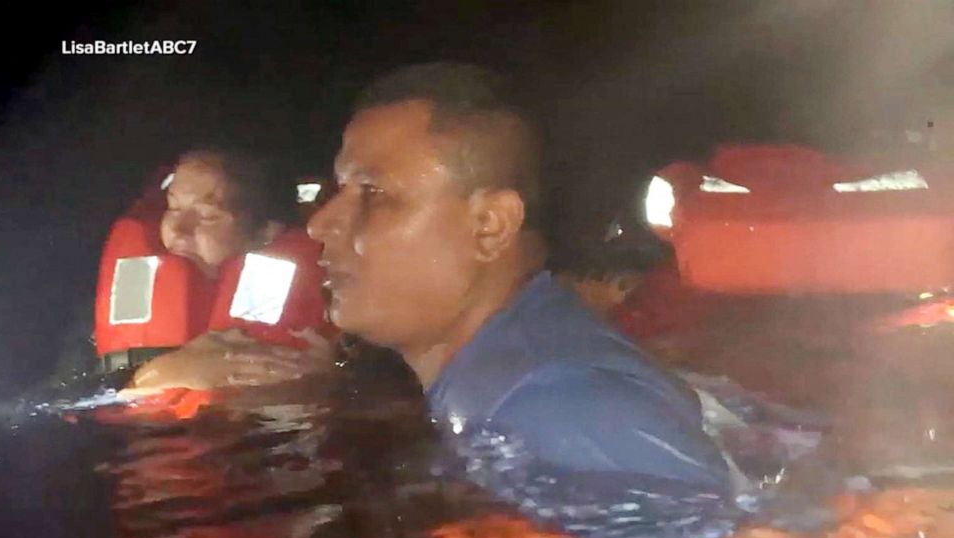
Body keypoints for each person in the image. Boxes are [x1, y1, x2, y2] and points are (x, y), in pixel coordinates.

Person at [306, 62, 730, 492]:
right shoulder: (509, 378)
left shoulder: (561, 407)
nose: (320, 224)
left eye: (374, 194)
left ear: (489, 226)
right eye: (339, 191)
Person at [47, 148, 334, 399]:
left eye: (208, 216)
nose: (178, 229)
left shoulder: (333, 304)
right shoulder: (101, 314)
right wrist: (164, 373)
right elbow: (58, 401)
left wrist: (331, 377)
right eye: (173, 207)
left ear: (264, 234)